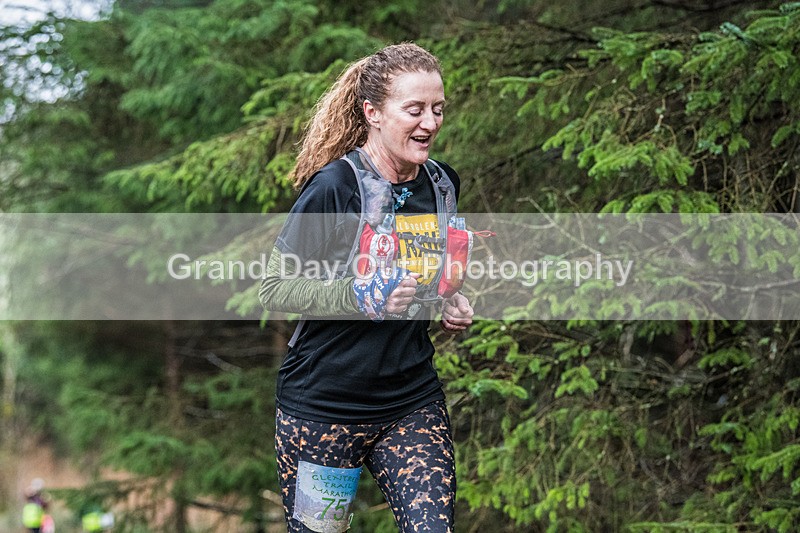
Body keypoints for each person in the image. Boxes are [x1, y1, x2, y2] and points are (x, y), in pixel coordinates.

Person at [259, 43, 474, 533]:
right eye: (415, 109)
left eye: (438, 109)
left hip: (410, 401)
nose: (431, 122)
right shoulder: (336, 188)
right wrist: (359, 295)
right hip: (323, 410)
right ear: (373, 113)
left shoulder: (442, 184)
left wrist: (449, 297)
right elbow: (275, 288)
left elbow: (425, 270)